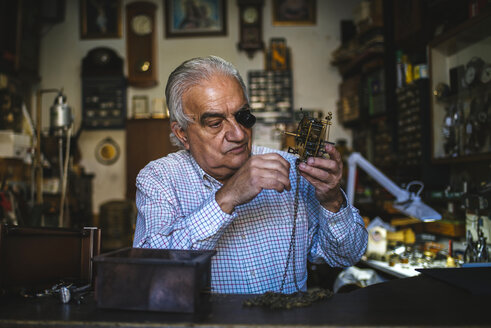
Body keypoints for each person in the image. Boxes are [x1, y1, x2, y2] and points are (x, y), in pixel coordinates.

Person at [133, 56, 368, 294]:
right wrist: (227, 197)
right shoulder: (158, 179)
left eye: (242, 116)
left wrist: (332, 201)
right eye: (215, 123)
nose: (238, 134)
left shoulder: (290, 169)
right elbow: (151, 273)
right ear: (182, 133)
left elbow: (346, 256)